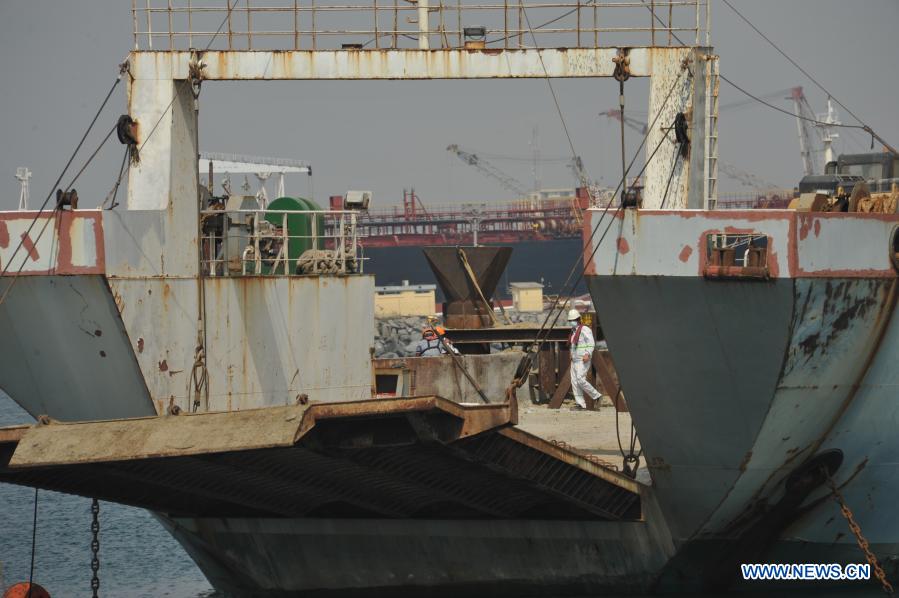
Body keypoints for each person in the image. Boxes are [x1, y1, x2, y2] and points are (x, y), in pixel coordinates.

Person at [567, 308, 603, 411]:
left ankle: (597, 396)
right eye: (570, 321)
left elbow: (591, 343)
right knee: (574, 382)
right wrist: (571, 353)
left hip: (583, 359)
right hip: (574, 359)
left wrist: (587, 353)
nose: (571, 322)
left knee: (580, 379)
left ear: (578, 319)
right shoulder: (573, 331)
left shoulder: (585, 329)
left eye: (572, 320)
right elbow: (573, 345)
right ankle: (580, 404)